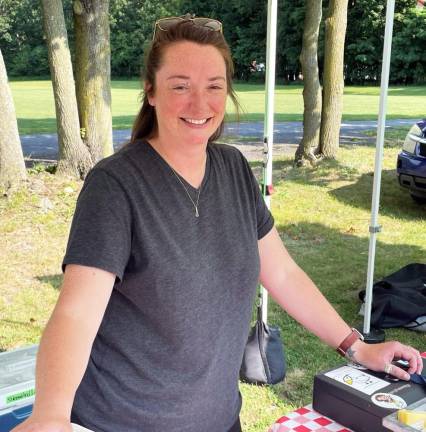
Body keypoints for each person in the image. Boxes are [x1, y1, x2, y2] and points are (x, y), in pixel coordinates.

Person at [13, 15, 423, 432]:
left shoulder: (234, 169)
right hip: (123, 421)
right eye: (180, 86)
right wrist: (50, 414)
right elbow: (77, 312)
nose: (199, 104)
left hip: (219, 420)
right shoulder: (116, 185)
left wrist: (356, 347)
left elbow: (281, 273)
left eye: (214, 86)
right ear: (151, 92)